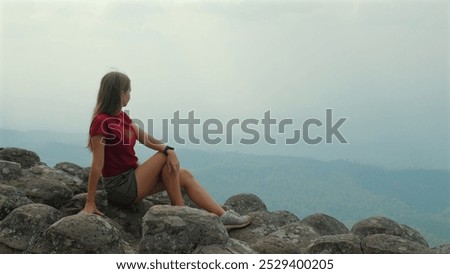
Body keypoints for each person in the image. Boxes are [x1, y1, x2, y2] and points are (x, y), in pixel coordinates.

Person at [82, 71, 251, 231]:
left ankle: (222, 216)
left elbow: (146, 139)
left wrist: (169, 149)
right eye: (128, 91)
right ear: (119, 93)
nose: (130, 95)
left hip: (133, 178)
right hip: (120, 187)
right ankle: (180, 211)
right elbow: (98, 164)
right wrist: (90, 202)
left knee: (184, 175)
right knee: (163, 157)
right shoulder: (101, 122)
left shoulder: (122, 117)